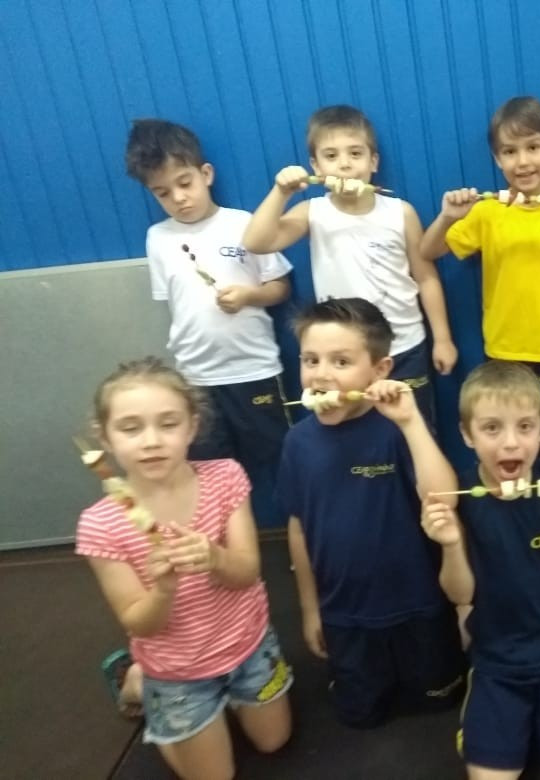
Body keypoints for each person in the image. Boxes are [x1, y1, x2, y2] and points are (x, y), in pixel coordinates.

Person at [76, 357, 292, 780]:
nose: (151, 441)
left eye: (168, 424)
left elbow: (247, 572)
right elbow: (140, 622)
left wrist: (215, 557)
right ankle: (140, 683)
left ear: (192, 427)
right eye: (131, 428)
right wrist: (163, 590)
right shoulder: (101, 525)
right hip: (177, 674)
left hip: (248, 645)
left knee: (274, 742)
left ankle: (168, 690)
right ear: (105, 438)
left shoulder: (225, 477)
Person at [277, 298, 465, 727]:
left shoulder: (398, 429)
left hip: (419, 607)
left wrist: (411, 422)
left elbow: (445, 499)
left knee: (438, 707)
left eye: (341, 361)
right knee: (361, 718)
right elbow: (298, 528)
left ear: (380, 370)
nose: (321, 374)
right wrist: (310, 608)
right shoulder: (297, 443)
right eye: (310, 360)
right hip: (345, 614)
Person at [422, 361, 540, 780]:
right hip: (498, 659)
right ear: (467, 435)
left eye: (525, 427)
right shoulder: (463, 495)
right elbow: (460, 594)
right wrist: (450, 545)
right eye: (491, 428)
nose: (510, 443)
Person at [243, 104, 456, 430]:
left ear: (373, 161)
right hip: (343, 358)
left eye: (355, 153)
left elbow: (426, 277)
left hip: (405, 347)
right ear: (316, 166)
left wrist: (442, 339)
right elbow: (256, 242)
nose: (345, 164)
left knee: (414, 432)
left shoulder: (401, 212)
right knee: (356, 437)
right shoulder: (312, 212)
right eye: (331, 156)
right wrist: (281, 192)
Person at [125, 119, 293, 528]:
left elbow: (280, 288)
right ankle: (217, 544)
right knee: (206, 473)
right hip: (196, 378)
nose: (178, 198)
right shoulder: (157, 238)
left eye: (185, 183)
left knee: (282, 463)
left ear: (206, 174)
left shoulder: (243, 223)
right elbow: (175, 306)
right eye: (162, 192)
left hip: (254, 370)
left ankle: (301, 539)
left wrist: (249, 296)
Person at [419, 97, 540, 463]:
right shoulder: (486, 211)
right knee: (506, 446)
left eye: (533, 147)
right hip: (504, 351)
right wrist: (448, 217)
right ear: (497, 159)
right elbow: (428, 250)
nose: (522, 161)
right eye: (510, 151)